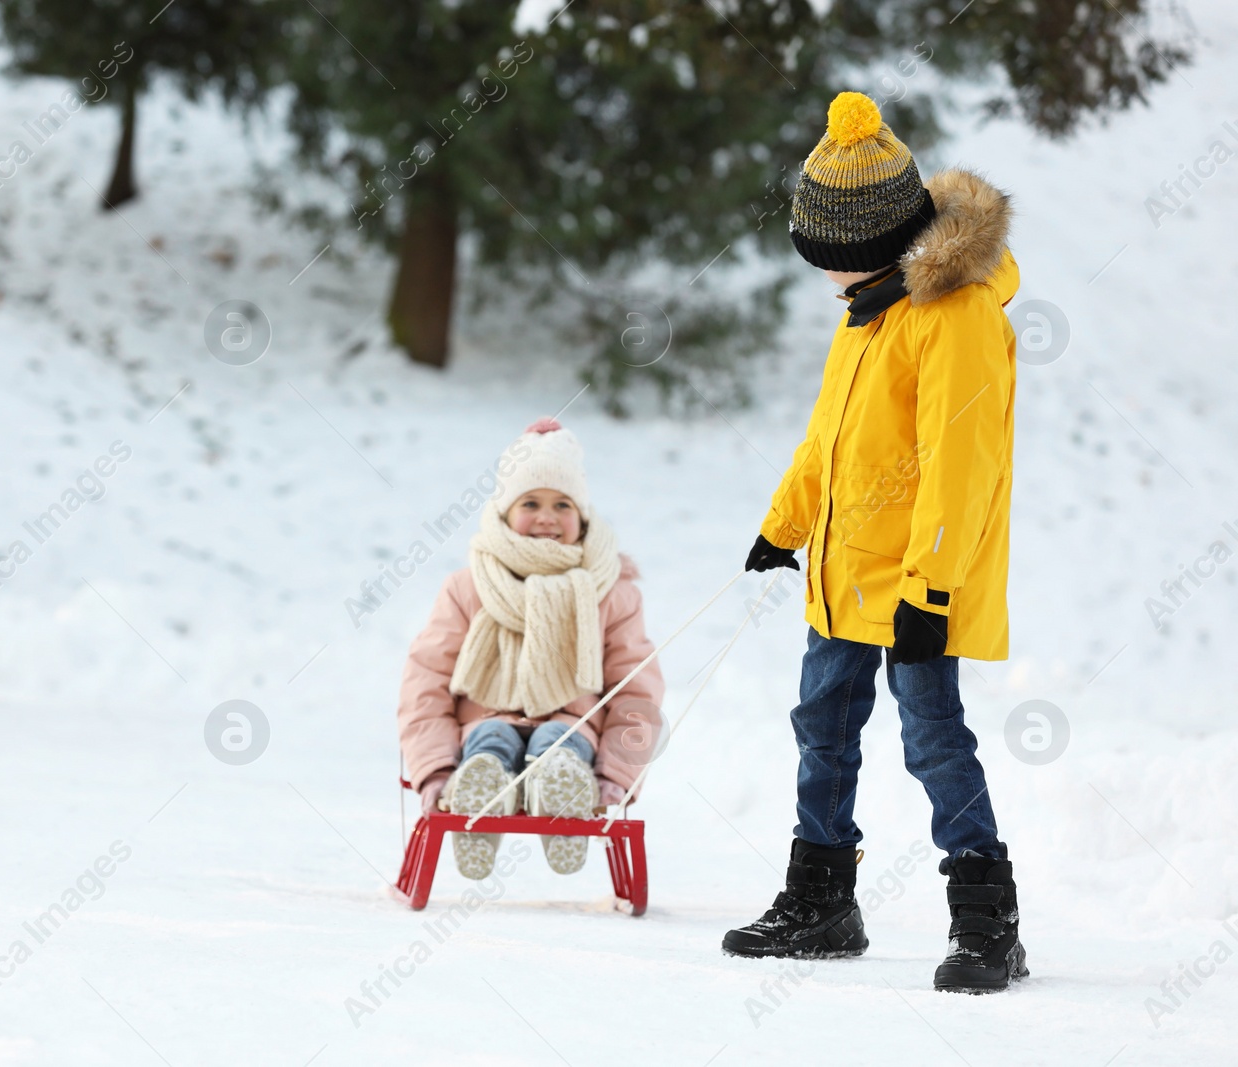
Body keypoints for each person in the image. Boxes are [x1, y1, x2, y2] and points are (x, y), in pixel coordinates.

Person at [721, 92, 1027, 994]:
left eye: (829, 260)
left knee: (934, 738)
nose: (824, 277)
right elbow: (829, 440)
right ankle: (821, 902)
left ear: (869, 245)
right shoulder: (866, 311)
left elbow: (959, 469)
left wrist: (929, 591)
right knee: (823, 727)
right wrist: (783, 525)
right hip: (841, 581)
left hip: (913, 588)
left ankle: (986, 920)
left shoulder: (953, 318)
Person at [398, 418, 664, 880]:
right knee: (490, 745)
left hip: (572, 730)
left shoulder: (611, 593)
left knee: (556, 746)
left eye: (563, 504)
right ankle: (479, 793)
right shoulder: (469, 588)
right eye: (530, 502)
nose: (546, 516)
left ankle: (561, 790)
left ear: (582, 517)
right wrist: (434, 767)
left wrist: (616, 774)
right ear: (504, 513)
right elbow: (426, 681)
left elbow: (636, 692)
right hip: (481, 726)